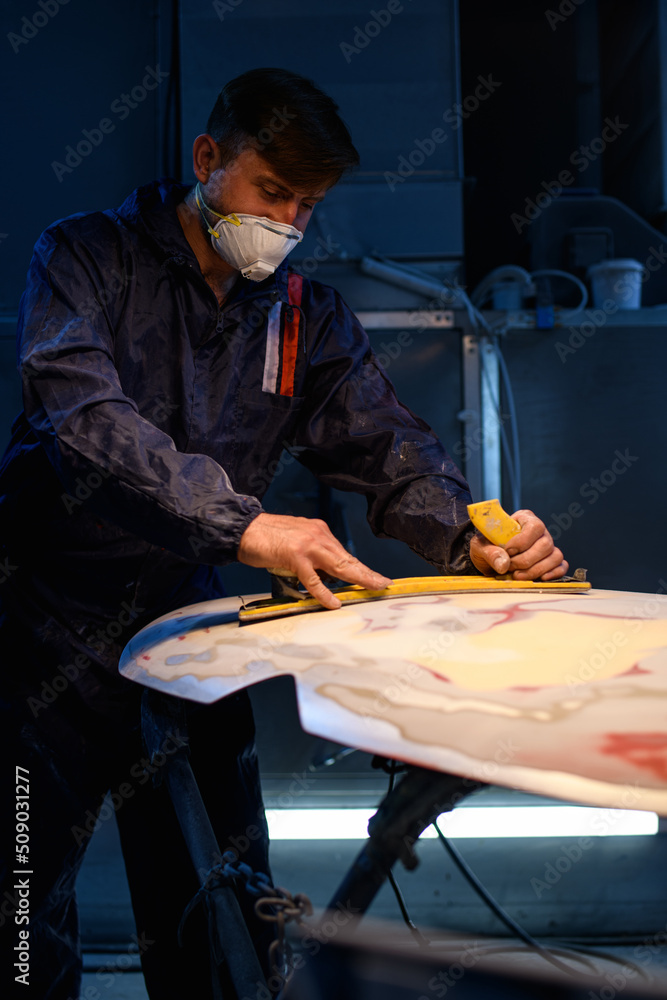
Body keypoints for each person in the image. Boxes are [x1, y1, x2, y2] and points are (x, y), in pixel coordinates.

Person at [0, 67, 567, 999]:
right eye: (272, 193)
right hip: (42, 645)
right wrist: (245, 523)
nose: (290, 223)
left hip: (193, 643)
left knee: (221, 914)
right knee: (23, 914)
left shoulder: (302, 316)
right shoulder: (85, 259)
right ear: (207, 158)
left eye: (308, 204)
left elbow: (385, 443)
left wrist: (470, 541)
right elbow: (82, 420)